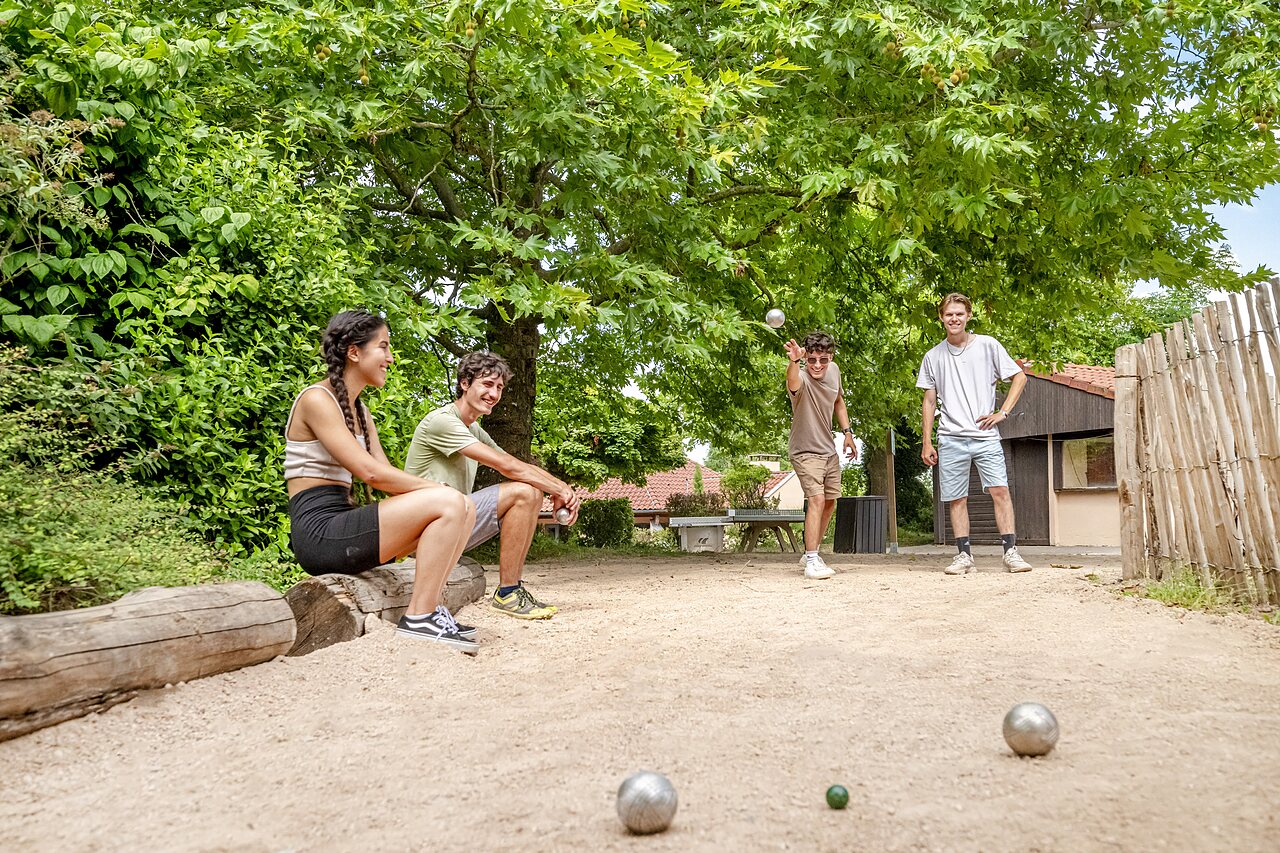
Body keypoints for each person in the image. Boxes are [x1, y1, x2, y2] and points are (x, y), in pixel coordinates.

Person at [285, 310, 480, 653]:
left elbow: (386, 479)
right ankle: (419, 619)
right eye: (384, 347)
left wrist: (444, 496)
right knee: (450, 502)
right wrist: (440, 492)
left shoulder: (360, 410)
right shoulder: (316, 399)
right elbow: (370, 473)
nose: (390, 358)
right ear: (354, 352)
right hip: (320, 534)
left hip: (343, 526)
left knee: (464, 506)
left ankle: (431, 611)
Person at [403, 352, 579, 619]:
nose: (494, 394)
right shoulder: (442, 421)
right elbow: (505, 467)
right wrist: (559, 490)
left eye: (499, 387)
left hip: (451, 526)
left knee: (530, 490)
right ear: (464, 383)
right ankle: (507, 593)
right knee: (524, 491)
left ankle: (512, 591)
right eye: (487, 384)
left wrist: (560, 486)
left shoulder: (473, 429)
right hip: (420, 532)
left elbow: (514, 462)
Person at [917, 293, 1033, 575]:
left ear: (968, 315)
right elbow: (929, 401)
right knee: (956, 497)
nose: (954, 319)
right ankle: (964, 556)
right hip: (951, 437)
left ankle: (1010, 553)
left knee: (1000, 490)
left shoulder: (988, 345)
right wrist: (926, 441)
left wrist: (1002, 412)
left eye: (959, 313)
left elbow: (1019, 376)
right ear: (941, 318)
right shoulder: (933, 356)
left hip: (985, 435)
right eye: (948, 314)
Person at [784, 331, 857, 580]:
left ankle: (809, 552)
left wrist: (847, 433)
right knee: (816, 499)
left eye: (823, 360)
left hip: (828, 449)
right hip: (804, 450)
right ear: (805, 358)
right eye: (812, 359)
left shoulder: (834, 370)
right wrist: (794, 362)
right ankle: (813, 560)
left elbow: (838, 401)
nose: (817, 365)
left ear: (831, 357)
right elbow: (792, 383)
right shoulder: (800, 376)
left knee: (830, 501)